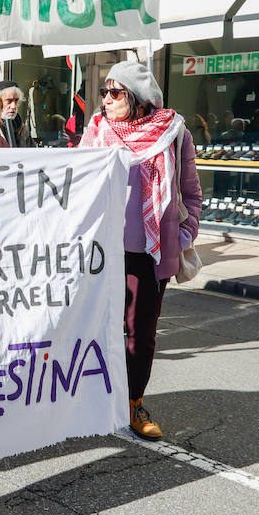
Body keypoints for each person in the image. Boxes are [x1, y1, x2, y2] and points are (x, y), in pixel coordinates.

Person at [79, 61, 201, 440]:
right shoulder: (96, 132)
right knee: (95, 328)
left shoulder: (173, 133)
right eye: (104, 92)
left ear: (139, 98)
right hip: (101, 251)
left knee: (140, 333)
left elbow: (192, 195)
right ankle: (92, 399)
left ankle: (133, 401)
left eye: (116, 93)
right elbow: (70, 180)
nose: (107, 100)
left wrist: (181, 237)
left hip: (149, 252)